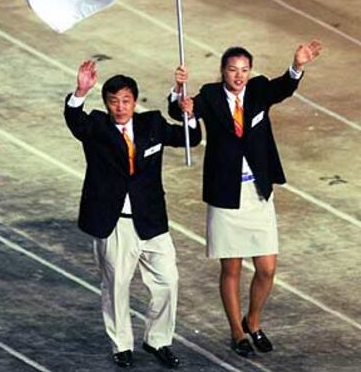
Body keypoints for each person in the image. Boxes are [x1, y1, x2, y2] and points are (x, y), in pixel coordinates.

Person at [169, 40, 322, 358]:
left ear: (249, 71)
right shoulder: (211, 97)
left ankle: (253, 320)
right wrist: (179, 96)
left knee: (266, 268)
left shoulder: (258, 90)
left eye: (244, 70)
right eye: (232, 70)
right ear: (222, 71)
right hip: (227, 195)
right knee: (232, 268)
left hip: (257, 192)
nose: (238, 76)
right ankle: (237, 332)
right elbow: (182, 112)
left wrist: (297, 65)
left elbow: (284, 87)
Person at [64, 60, 201, 369]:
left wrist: (189, 114)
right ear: (106, 103)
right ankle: (121, 345)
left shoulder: (152, 124)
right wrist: (81, 91)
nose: (120, 107)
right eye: (114, 101)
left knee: (168, 280)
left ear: (135, 101)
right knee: (116, 288)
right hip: (115, 224)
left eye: (126, 100)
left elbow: (188, 139)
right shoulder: (97, 127)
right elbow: (74, 120)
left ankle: (158, 340)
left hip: (151, 220)